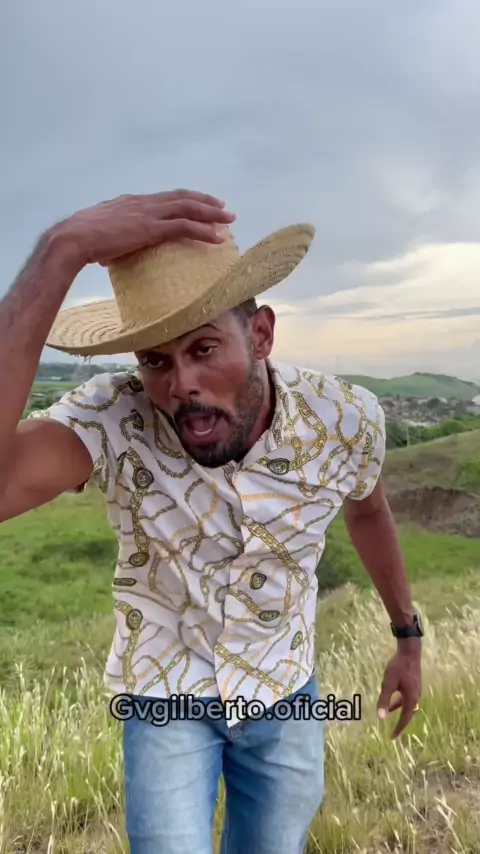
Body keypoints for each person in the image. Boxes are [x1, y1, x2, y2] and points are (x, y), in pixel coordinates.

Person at [0, 189, 422, 854]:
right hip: (165, 695)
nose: (180, 385)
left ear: (261, 335)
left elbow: (367, 509)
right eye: (156, 360)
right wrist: (59, 252)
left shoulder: (344, 418)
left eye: (203, 349)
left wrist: (407, 637)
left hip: (286, 688)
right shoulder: (115, 418)